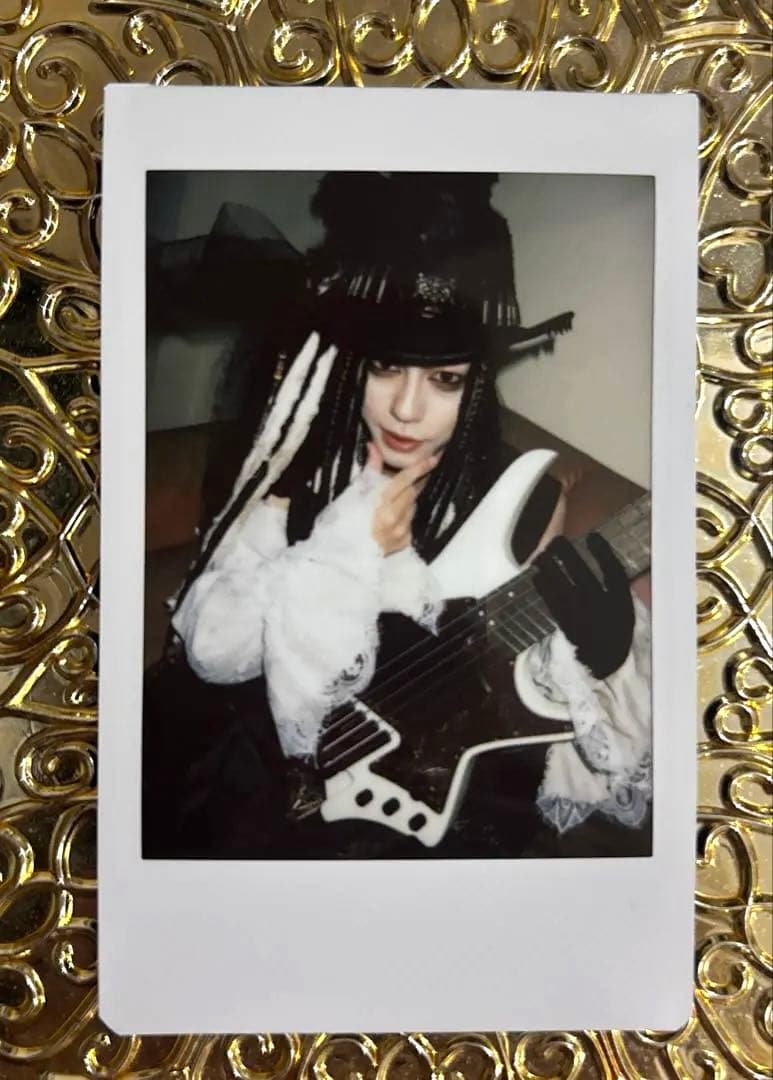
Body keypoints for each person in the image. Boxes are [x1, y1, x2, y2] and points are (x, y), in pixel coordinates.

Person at [142, 172, 651, 860]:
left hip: (410, 789)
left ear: (476, 383)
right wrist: (339, 547)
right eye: (385, 368)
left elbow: (488, 676)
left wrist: (594, 659)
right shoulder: (299, 467)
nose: (407, 410)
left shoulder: (522, 496)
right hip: (241, 767)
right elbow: (216, 651)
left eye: (445, 379)